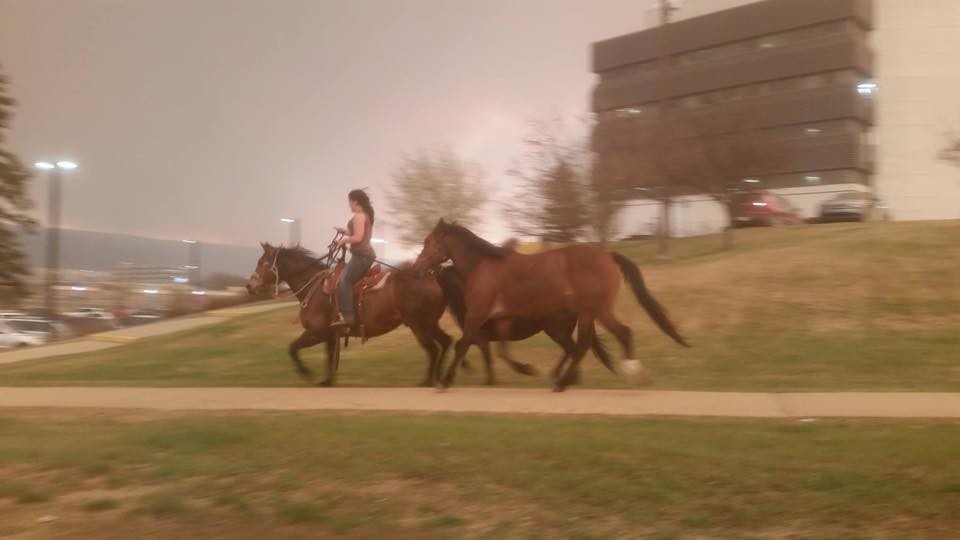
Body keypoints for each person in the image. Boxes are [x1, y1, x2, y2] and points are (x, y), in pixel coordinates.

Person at [330, 189, 376, 329]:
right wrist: (344, 232)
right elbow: (354, 233)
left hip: (361, 256)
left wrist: (343, 240)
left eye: (349, 202)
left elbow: (358, 237)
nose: (348, 205)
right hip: (362, 255)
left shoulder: (359, 216)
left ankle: (348, 317)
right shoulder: (363, 216)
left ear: (355, 201)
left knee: (343, 282)